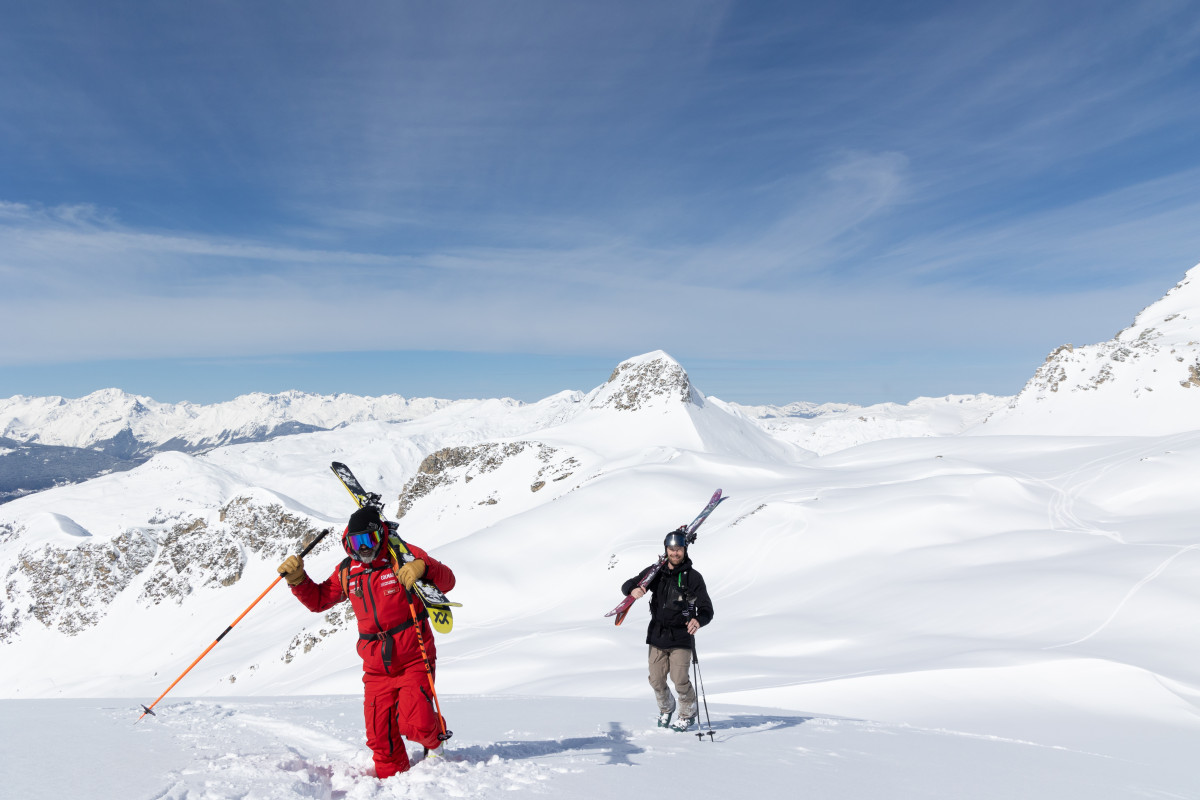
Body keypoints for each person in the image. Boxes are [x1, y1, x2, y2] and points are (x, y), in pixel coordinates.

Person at [277, 505, 455, 779]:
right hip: (375, 666)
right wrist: (298, 580)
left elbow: (448, 581)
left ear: (380, 536)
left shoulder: (403, 556)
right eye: (355, 542)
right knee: (380, 739)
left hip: (413, 657)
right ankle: (392, 784)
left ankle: (435, 742)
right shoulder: (349, 570)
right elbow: (320, 600)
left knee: (416, 722)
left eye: (368, 541)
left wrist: (425, 567)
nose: (363, 548)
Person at [620, 528, 714, 731]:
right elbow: (628, 584)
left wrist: (698, 620)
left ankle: (687, 713)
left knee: (680, 680)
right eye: (671, 549)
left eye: (679, 549)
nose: (675, 553)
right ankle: (666, 708)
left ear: (685, 549)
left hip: (681, 635)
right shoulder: (656, 573)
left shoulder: (693, 577)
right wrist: (632, 590)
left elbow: (707, 609)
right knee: (655, 680)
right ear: (666, 550)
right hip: (657, 634)